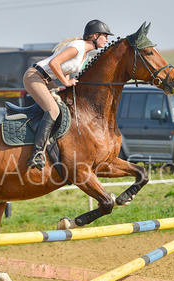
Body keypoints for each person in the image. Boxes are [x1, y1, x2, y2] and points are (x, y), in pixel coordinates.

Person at [23, 19, 113, 170]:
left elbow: (65, 71)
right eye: (105, 36)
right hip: (35, 76)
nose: (107, 39)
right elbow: (54, 64)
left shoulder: (85, 54)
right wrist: (65, 82)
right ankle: (37, 153)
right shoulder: (78, 46)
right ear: (95, 36)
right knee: (53, 110)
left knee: (64, 108)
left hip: (47, 80)